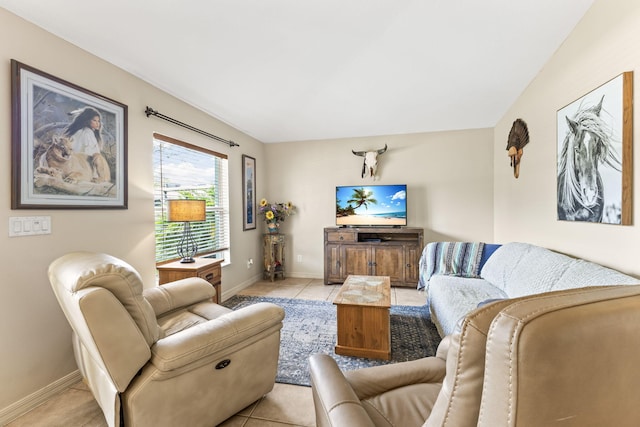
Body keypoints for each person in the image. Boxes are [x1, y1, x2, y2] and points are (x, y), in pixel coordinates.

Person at [63, 106, 111, 182]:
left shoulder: (82, 132)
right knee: (98, 156)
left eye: (98, 121)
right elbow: (89, 153)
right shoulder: (87, 133)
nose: (98, 123)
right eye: (94, 120)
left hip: (78, 164)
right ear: (87, 121)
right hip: (84, 166)